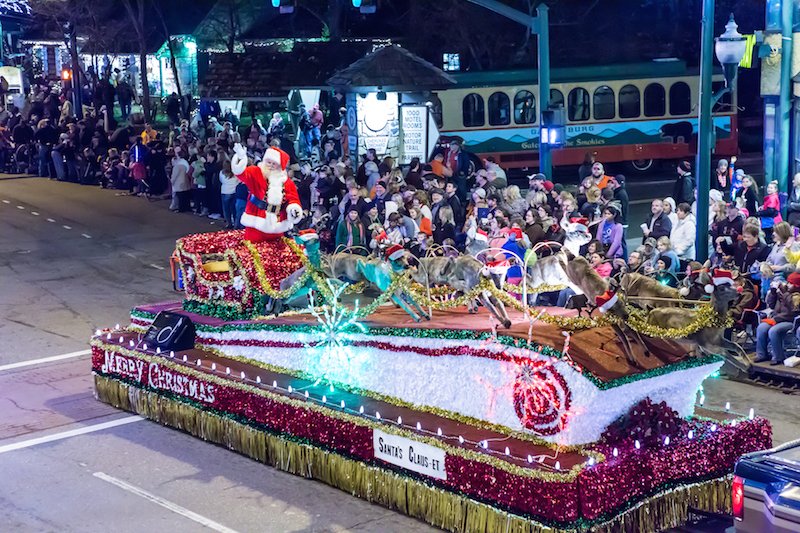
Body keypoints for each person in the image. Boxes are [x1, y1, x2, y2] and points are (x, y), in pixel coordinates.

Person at [755, 271, 800, 365]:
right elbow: (771, 305)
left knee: (773, 331)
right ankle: (761, 354)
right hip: (776, 319)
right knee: (761, 328)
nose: (788, 284)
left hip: (790, 321)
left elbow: (794, 310)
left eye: (791, 283)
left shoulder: (796, 296)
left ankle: (778, 356)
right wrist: (773, 292)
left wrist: (785, 293)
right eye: (788, 282)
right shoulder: (784, 293)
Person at [219, 160, 240, 229]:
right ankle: (235, 223)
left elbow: (221, 180)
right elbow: (239, 181)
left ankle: (229, 223)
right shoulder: (235, 173)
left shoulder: (221, 173)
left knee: (226, 209)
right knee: (234, 209)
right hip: (234, 192)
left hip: (225, 192)